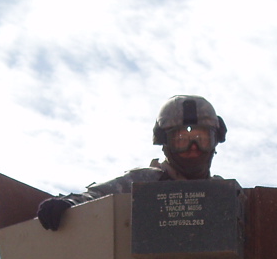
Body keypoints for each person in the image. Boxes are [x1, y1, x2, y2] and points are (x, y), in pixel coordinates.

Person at [36, 95, 228, 231]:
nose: (193, 147)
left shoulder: (226, 195)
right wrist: (69, 203)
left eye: (201, 138)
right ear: (165, 143)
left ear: (215, 141)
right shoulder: (143, 183)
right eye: (181, 139)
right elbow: (96, 197)